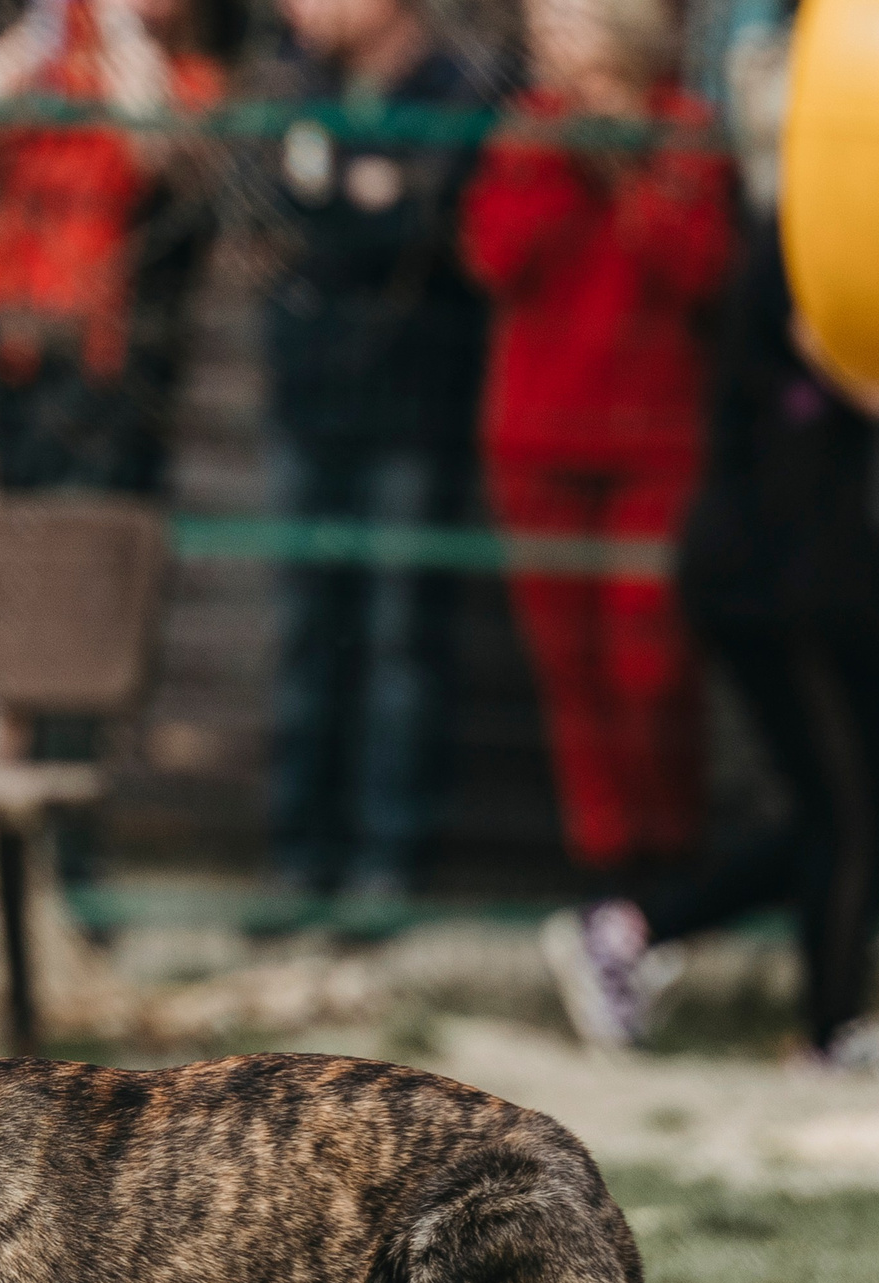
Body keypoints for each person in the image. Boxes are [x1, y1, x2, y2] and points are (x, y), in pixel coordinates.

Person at [542, 214, 879, 1056]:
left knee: (845, 814)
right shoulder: (805, 238)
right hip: (770, 585)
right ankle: (827, 1032)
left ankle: (633, 930)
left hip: (830, 583)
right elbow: (856, 373)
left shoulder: (857, 237)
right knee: (845, 818)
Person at [462, 0, 733, 876]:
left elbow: (696, 268)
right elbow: (497, 255)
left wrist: (625, 167)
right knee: (570, 670)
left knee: (650, 661)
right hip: (538, 442)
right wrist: (556, 156)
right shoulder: (528, 133)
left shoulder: (684, 132)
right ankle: (607, 868)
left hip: (655, 444)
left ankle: (672, 856)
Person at [259, 0, 505, 899]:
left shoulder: (456, 91)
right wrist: (365, 198)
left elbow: (434, 226)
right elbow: (265, 208)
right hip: (309, 399)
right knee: (307, 632)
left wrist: (351, 204)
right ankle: (299, 861)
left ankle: (388, 866)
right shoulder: (294, 86)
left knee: (402, 638)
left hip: (413, 402)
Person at [0, 0, 229, 493]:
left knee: (98, 502)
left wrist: (122, 36)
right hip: (12, 333)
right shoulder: (39, 71)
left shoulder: (188, 78)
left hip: (108, 352)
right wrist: (43, 34)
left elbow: (151, 146)